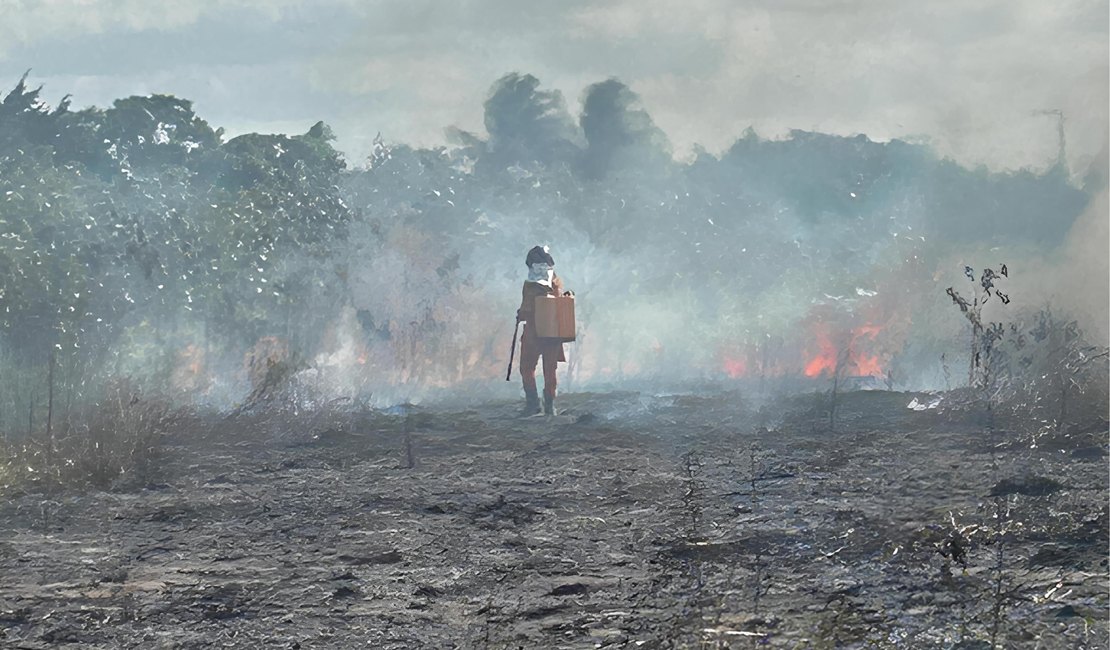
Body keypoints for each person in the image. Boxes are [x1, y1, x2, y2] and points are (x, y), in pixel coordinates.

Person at [516, 245, 568, 416]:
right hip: (552, 334)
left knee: (527, 367)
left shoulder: (531, 285)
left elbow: (527, 310)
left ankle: (533, 405)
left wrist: (520, 314)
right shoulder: (557, 283)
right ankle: (549, 406)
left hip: (534, 333)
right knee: (549, 370)